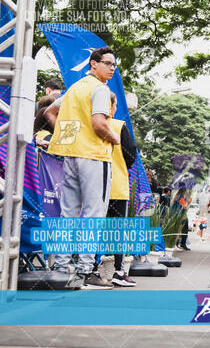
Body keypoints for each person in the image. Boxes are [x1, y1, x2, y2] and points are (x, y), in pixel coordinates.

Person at [44, 46, 120, 289]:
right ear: (93, 64)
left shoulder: (74, 89)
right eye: (108, 63)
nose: (112, 68)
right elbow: (99, 123)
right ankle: (86, 270)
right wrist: (114, 137)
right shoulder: (100, 89)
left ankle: (60, 269)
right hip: (94, 156)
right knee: (93, 215)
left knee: (68, 213)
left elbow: (49, 111)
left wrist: (69, 136)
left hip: (72, 156)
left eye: (114, 65)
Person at [106, 92, 138, 287]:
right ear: (112, 106)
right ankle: (118, 271)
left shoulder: (88, 125)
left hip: (93, 188)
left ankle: (90, 269)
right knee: (116, 231)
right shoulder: (118, 126)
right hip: (116, 186)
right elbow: (130, 155)